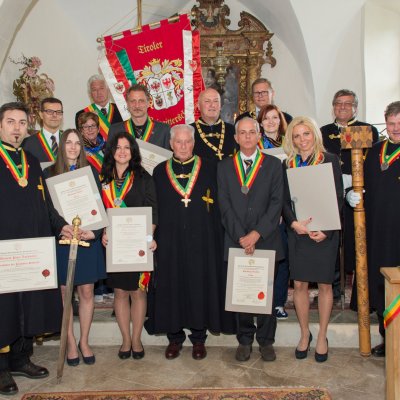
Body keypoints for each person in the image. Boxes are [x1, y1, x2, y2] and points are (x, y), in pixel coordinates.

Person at [0, 102, 72, 395]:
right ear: (0, 125)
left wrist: (62, 226)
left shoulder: (30, 160)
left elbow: (47, 205)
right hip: (4, 250)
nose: (17, 128)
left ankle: (21, 358)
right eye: (10, 122)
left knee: (28, 303)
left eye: (21, 123)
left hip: (33, 248)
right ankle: (1, 367)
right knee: (4, 307)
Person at [145, 124, 233, 360]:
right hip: (170, 241)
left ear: (193, 143)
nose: (183, 146)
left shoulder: (211, 167)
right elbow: (153, 208)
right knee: (172, 285)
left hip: (203, 240)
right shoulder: (160, 171)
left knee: (199, 285)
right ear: (171, 144)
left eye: (187, 141)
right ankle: (174, 338)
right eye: (178, 142)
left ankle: (198, 338)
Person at [217, 117, 284, 362]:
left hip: (266, 239)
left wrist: (256, 234)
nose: (247, 137)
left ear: (259, 136)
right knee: (242, 293)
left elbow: (277, 203)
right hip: (236, 240)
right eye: (242, 133)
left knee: (266, 294)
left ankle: (266, 341)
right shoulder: (224, 166)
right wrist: (241, 237)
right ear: (235, 138)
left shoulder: (274, 164)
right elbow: (224, 205)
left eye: (251, 132)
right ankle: (244, 340)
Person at [282, 116, 343, 363]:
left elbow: (338, 196)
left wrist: (326, 229)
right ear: (292, 140)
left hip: (325, 233)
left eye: (306, 134)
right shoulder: (287, 164)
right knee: (299, 285)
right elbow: (283, 200)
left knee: (325, 285)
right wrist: (293, 223)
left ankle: (322, 336)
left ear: (314, 135)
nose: (302, 140)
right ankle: (305, 333)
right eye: (296, 136)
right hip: (299, 233)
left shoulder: (330, 160)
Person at [45, 129, 106, 367]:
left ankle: (84, 341)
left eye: (77, 143)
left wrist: (96, 232)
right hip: (63, 239)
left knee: (87, 292)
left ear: (82, 147)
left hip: (86, 238)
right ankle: (70, 342)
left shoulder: (91, 172)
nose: (72, 147)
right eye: (68, 143)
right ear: (61, 146)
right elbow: (48, 209)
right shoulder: (49, 173)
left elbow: (99, 205)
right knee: (65, 293)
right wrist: (62, 226)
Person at [347, 101, 400, 357]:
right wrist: (351, 195)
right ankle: (387, 338)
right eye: (391, 123)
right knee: (380, 285)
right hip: (376, 231)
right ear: (385, 123)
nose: (396, 128)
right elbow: (361, 183)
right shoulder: (373, 151)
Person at [101, 132, 157, 360]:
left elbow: (153, 211)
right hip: (115, 247)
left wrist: (149, 238)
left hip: (138, 246)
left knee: (138, 292)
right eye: (118, 147)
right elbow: (98, 212)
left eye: (127, 147)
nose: (122, 152)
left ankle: (136, 339)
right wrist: (103, 232)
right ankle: (125, 339)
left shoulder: (144, 178)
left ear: (133, 151)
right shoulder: (103, 178)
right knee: (120, 292)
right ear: (112, 151)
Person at [320, 89, 379, 280]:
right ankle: (333, 282)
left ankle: (356, 279)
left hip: (357, 190)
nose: (343, 107)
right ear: (333, 107)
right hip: (331, 191)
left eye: (348, 103)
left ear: (355, 108)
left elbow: (372, 162)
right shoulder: (323, 131)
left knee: (356, 237)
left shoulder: (367, 129)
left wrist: (355, 181)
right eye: (338, 103)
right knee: (331, 236)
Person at [257, 105, 289, 320]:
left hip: (284, 208)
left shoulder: (290, 144)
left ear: (280, 121)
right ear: (260, 122)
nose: (270, 122)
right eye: (266, 118)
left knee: (282, 257)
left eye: (274, 118)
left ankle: (278, 302)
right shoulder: (254, 144)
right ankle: (259, 299)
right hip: (260, 209)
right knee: (261, 257)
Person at [108, 84, 170, 150]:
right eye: (133, 101)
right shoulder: (115, 131)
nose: (137, 105)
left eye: (141, 101)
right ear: (127, 104)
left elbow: (168, 156)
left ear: (148, 103)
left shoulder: (164, 130)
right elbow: (109, 156)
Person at [191, 87, 237, 161]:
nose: (212, 105)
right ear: (198, 106)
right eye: (207, 101)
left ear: (220, 106)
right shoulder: (189, 131)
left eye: (216, 101)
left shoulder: (233, 130)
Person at [75, 74, 123, 140]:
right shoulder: (82, 114)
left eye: (101, 88)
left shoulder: (121, 109)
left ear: (108, 90)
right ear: (90, 94)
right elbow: (83, 141)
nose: (99, 92)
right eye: (94, 90)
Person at [23, 97, 63, 162]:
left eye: (58, 112)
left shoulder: (70, 140)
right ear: (41, 115)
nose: (54, 115)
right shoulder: (27, 143)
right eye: (49, 111)